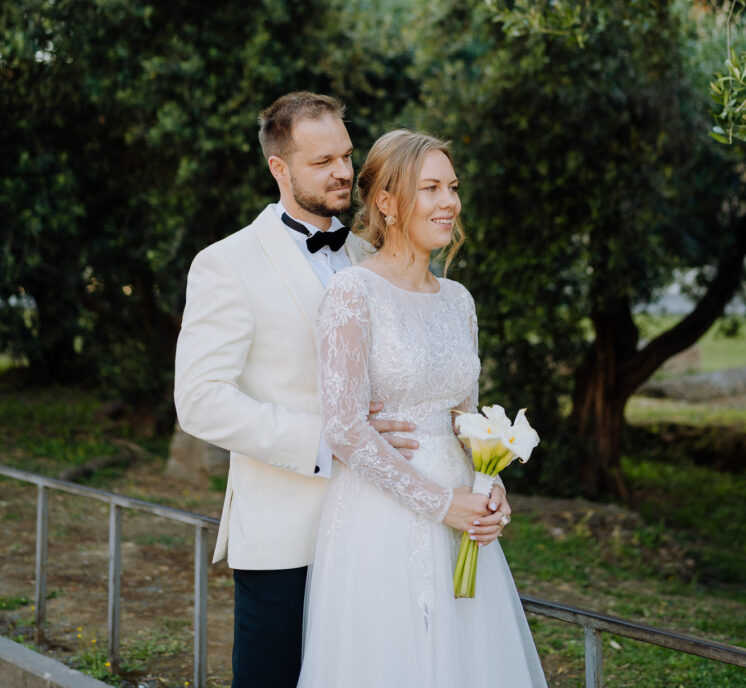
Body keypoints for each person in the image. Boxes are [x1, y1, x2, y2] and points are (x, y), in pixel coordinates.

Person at [175, 93, 439, 688]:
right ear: (280, 169)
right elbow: (199, 400)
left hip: (380, 522)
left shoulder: (374, 258)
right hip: (285, 532)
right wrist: (329, 440)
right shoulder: (227, 263)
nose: (343, 171)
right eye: (322, 162)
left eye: (346, 155)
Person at [297, 129, 548, 688]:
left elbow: (465, 416)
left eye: (452, 187)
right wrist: (440, 503)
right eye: (430, 187)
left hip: (462, 512)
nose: (449, 202)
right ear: (386, 202)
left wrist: (490, 481)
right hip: (381, 515)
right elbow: (344, 428)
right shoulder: (352, 293)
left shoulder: (459, 301)